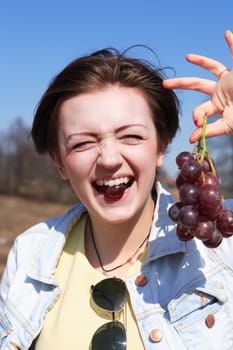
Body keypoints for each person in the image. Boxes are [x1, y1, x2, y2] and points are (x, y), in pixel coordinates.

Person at [0, 29, 233, 350]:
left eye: (131, 136)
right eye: (82, 143)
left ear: (162, 145)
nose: (109, 159)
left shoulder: (219, 240)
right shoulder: (28, 254)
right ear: (59, 162)